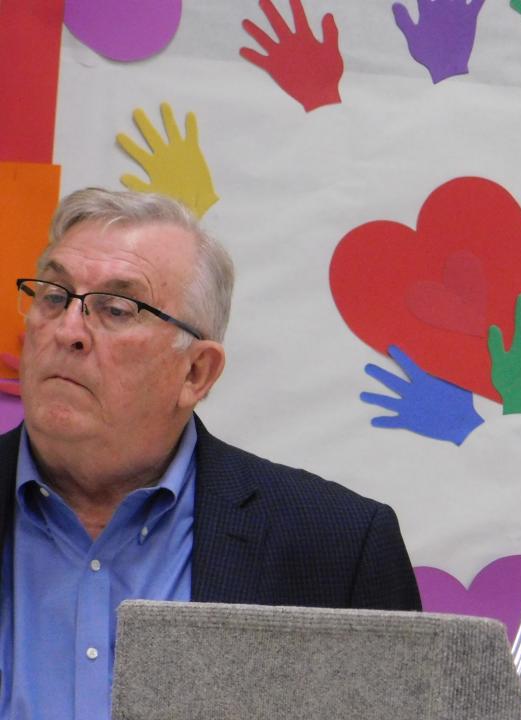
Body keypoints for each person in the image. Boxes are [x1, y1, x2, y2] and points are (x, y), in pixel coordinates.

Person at [0, 188, 421, 718]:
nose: (68, 331)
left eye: (116, 309)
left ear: (196, 372)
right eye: (55, 296)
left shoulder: (337, 548)